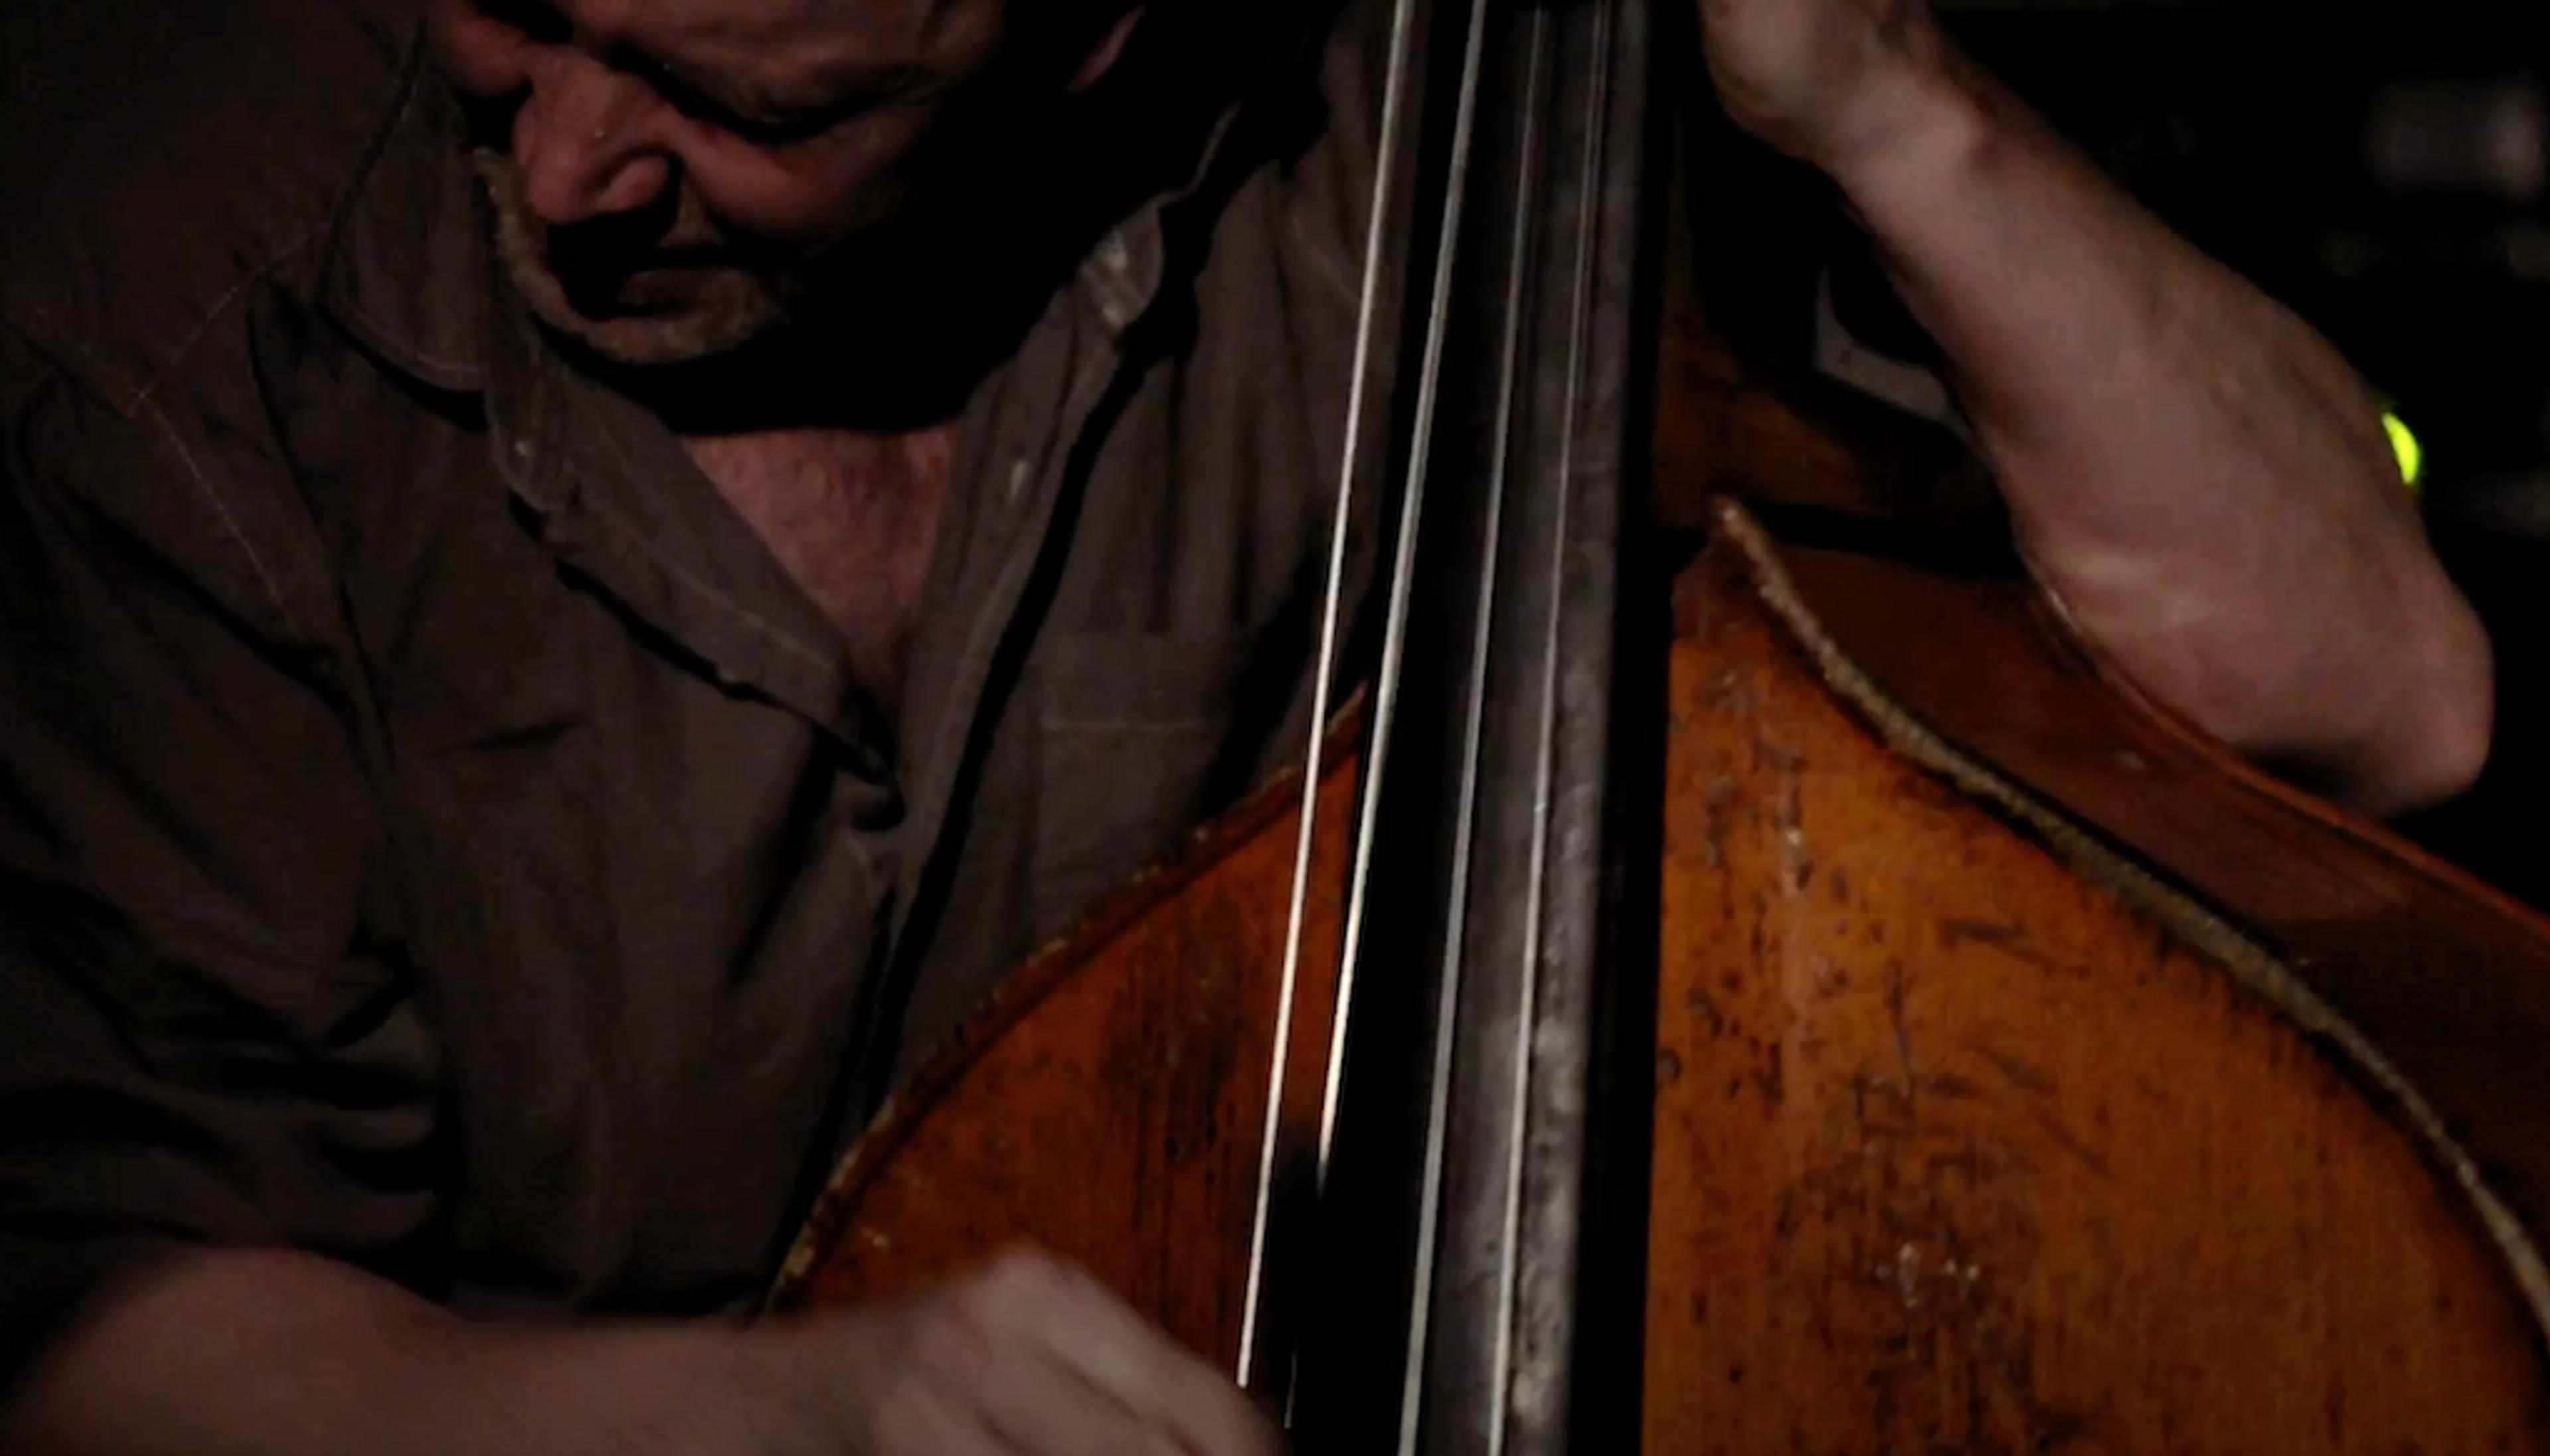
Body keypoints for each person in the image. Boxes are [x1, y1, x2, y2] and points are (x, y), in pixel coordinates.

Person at [0, 0, 2492, 1451]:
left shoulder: (1412, 141)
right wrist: (771, 1419)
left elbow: (2382, 698)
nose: (563, 163)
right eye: (513, 1)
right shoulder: (180, 262)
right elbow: (114, 1333)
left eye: (751, 110)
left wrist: (1876, 88)